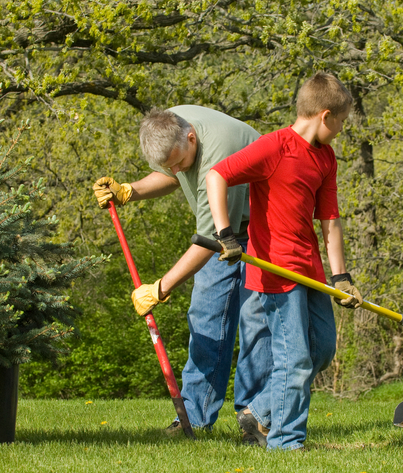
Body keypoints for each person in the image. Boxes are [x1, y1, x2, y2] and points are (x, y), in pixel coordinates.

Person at [205, 73, 363, 451]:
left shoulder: (325, 157)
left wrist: (340, 275)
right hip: (276, 270)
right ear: (326, 116)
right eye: (341, 122)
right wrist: (225, 233)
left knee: (321, 350)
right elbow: (217, 175)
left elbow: (330, 219)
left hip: (310, 269)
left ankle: (259, 413)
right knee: (295, 359)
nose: (341, 130)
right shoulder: (274, 147)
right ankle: (287, 443)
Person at [92, 106, 271, 437]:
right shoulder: (168, 127)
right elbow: (172, 173)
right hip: (221, 232)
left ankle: (255, 419)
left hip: (264, 228)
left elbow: (208, 243)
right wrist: (130, 190)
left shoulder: (220, 151)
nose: (175, 170)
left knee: (255, 323)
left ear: (192, 137)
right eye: (167, 165)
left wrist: (161, 287)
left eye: (179, 162)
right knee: (205, 315)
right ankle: (194, 419)